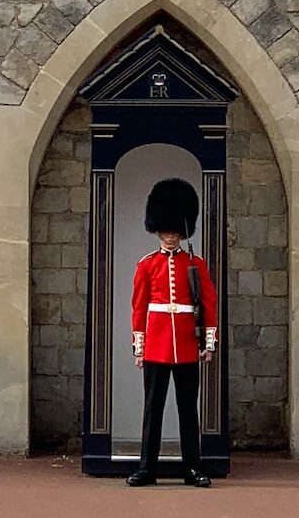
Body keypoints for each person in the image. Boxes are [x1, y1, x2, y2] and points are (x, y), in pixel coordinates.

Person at [127, 177, 219, 487]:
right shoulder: (146, 265)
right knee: (153, 409)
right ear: (158, 230)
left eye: (175, 231)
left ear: (182, 231)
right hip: (156, 344)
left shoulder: (196, 264)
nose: (170, 236)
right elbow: (139, 308)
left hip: (186, 344)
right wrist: (139, 347)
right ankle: (146, 468)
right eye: (166, 231)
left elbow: (209, 303)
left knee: (187, 411)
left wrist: (208, 342)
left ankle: (193, 469)